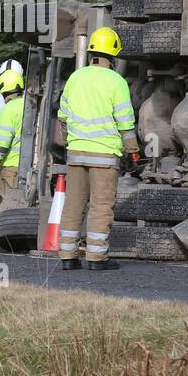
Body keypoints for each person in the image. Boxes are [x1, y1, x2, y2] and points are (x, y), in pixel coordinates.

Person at [55, 27, 138, 271]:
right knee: (101, 206)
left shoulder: (76, 77)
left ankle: (68, 256)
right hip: (104, 155)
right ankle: (96, 257)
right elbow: (125, 122)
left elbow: (63, 116)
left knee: (73, 204)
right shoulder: (117, 81)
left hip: (76, 154)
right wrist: (132, 149)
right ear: (113, 55)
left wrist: (72, 141)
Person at [0, 69, 25, 200]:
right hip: (29, 166)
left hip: (11, 167)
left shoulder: (8, 109)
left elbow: (3, 143)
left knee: (8, 204)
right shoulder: (30, 104)